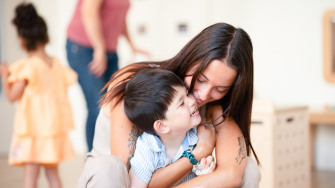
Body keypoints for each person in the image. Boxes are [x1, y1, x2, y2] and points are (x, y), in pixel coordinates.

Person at [81, 22, 261, 187]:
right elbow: (127, 180)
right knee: (110, 166)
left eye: (220, 89)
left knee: (248, 169)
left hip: (171, 183)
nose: (204, 95)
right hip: (112, 181)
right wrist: (198, 153)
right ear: (190, 58)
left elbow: (231, 175)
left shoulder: (216, 107)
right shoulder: (136, 86)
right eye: (201, 79)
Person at [0, 3, 77, 188]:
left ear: (22, 41)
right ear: (46, 37)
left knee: (30, 178)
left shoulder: (28, 66)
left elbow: (11, 96)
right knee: (53, 175)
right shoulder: (57, 65)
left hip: (33, 131)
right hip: (52, 131)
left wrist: (4, 76)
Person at [66, 0, 146, 151]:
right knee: (97, 107)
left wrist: (132, 45)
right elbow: (88, 11)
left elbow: (118, 18)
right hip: (85, 48)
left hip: (108, 51)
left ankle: (113, 156)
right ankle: (93, 162)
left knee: (117, 104)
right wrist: (99, 49)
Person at [123, 69, 216, 187]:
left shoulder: (198, 136)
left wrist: (205, 168)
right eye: (182, 103)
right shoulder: (148, 148)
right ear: (162, 126)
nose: (192, 101)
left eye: (187, 94)